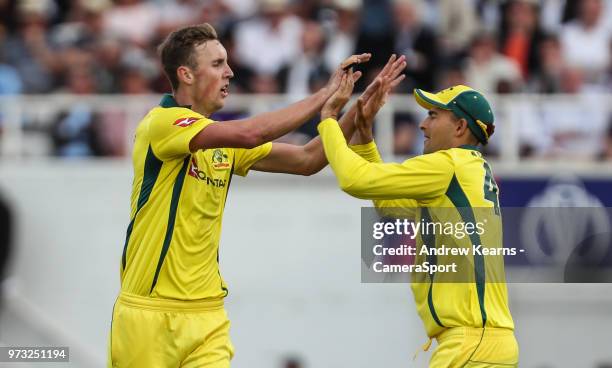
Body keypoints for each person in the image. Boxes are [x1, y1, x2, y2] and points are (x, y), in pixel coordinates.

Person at [108, 23, 406, 367]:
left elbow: (308, 159)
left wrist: (359, 108)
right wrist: (325, 94)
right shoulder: (160, 124)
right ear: (186, 75)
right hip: (148, 314)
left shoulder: (221, 143)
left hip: (208, 315)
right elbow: (250, 133)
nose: (230, 72)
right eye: (218, 64)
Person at [318, 83, 518, 367]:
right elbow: (389, 205)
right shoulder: (465, 170)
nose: (423, 124)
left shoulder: (449, 165)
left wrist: (328, 121)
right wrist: (364, 138)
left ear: (460, 127)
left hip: (470, 344)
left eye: (434, 116)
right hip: (482, 343)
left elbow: (354, 179)